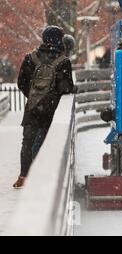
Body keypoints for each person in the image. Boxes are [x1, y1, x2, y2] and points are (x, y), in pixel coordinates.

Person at [13, 26, 75, 188]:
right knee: (45, 143)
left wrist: (35, 96)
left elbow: (21, 83)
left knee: (27, 142)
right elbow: (66, 87)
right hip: (51, 111)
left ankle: (23, 176)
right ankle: (41, 177)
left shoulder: (30, 58)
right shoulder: (63, 61)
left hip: (32, 109)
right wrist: (50, 99)